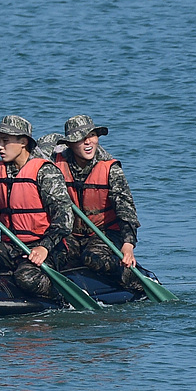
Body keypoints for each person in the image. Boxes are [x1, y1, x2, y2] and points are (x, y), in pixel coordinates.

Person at [0, 116, 73, 302]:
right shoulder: (0, 172)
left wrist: (44, 247)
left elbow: (64, 218)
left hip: (45, 246)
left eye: (5, 141)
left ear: (23, 142)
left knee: (26, 277)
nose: (0, 146)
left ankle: (62, 298)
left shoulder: (45, 172)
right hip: (12, 246)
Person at [52, 115, 142, 290]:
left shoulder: (110, 168)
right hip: (71, 234)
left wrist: (128, 245)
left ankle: (131, 277)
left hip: (104, 234)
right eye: (81, 138)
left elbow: (126, 210)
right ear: (70, 143)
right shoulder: (55, 166)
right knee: (55, 257)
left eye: (92, 136)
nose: (88, 142)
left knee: (92, 259)